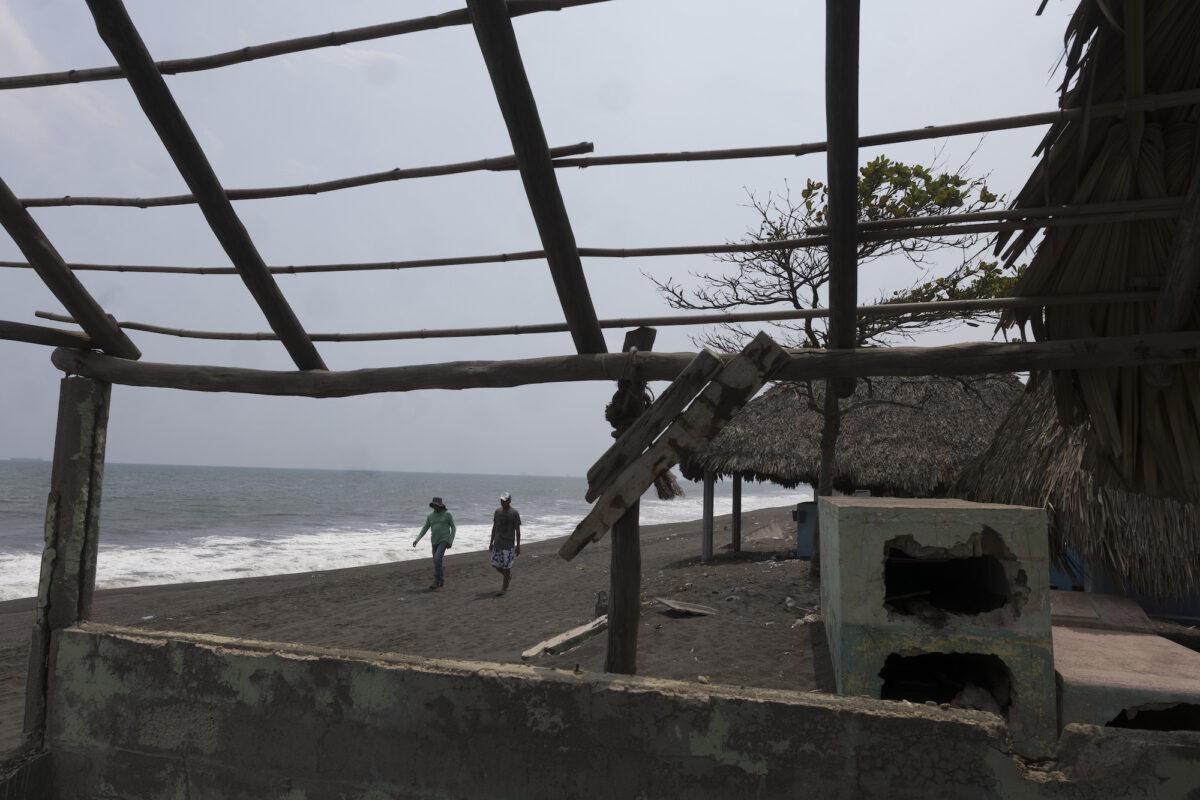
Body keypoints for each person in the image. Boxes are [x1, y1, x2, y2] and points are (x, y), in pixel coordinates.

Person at [413, 496, 455, 591]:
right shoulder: (430, 516)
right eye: (434, 505)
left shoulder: (447, 514)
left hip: (444, 540)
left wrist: (450, 541)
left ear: (440, 506)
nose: (435, 507)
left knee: (437, 559)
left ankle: (437, 581)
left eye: (436, 505)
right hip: (434, 541)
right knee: (436, 562)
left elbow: (454, 528)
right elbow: (425, 528)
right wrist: (417, 540)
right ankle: (440, 581)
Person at [489, 492, 521, 594]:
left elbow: (517, 530)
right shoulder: (497, 512)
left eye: (505, 500)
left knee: (506, 566)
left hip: (508, 544)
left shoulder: (514, 513)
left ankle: (504, 588)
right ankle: (508, 577)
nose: (502, 502)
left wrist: (518, 546)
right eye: (501, 500)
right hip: (498, 542)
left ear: (509, 501)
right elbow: (494, 527)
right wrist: (491, 541)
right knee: (495, 564)